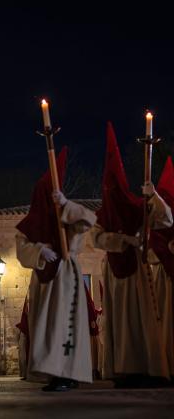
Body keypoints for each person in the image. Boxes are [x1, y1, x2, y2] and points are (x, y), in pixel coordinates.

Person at [92, 123, 172, 388]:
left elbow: (166, 219)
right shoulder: (103, 214)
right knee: (120, 322)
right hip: (114, 273)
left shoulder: (136, 207)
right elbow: (96, 238)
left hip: (137, 270)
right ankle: (123, 368)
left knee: (140, 320)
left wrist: (154, 197)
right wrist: (122, 240)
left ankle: (146, 366)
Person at [16, 147, 97, 391]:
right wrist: (40, 250)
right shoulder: (30, 223)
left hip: (66, 274)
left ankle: (68, 372)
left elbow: (89, 220)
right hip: (44, 278)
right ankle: (53, 372)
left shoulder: (67, 214)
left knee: (66, 322)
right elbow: (22, 249)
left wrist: (66, 204)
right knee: (47, 326)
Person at [146, 156, 174, 380]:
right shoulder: (152, 220)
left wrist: (155, 196)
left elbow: (167, 217)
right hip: (162, 276)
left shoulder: (165, 213)